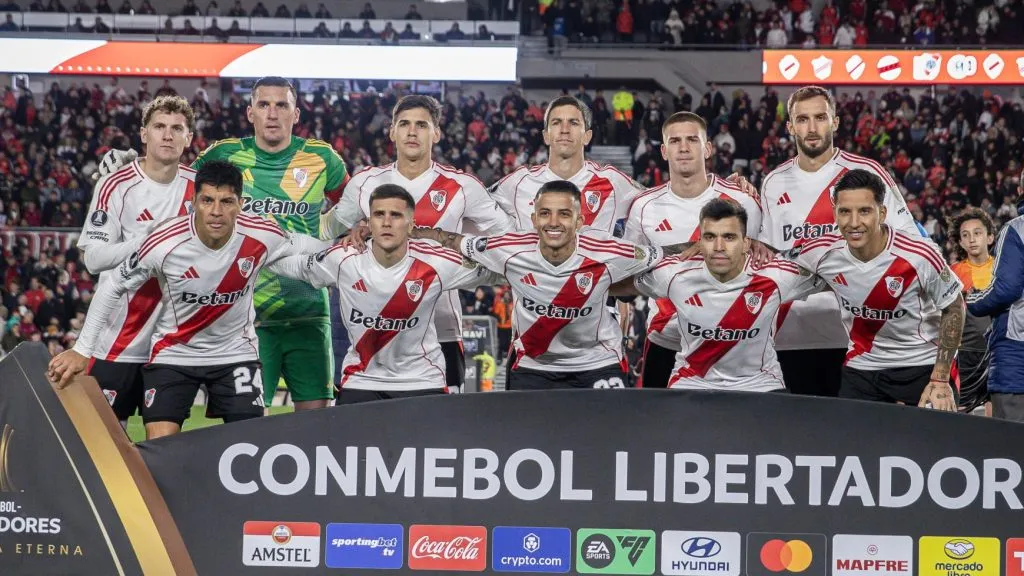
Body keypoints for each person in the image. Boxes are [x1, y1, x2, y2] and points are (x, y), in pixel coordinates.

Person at [98, 77, 349, 412]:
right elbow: (175, 188)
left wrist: (334, 239)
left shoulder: (322, 160)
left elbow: (353, 212)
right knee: (248, 428)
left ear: (296, 113)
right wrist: (135, 165)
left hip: (307, 312)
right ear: (250, 113)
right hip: (244, 321)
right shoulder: (226, 154)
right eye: (263, 105)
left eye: (281, 105)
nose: (272, 114)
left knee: (317, 426)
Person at [48, 161, 330, 438]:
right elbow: (113, 286)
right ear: (193, 201)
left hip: (235, 353)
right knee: (162, 448)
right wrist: (82, 350)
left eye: (226, 201)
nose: (216, 212)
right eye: (207, 200)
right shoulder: (164, 243)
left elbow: (307, 245)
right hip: (174, 353)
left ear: (240, 203)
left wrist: (348, 248)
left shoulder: (262, 234)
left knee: (251, 444)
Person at [323, 95, 513, 393]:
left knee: (439, 432)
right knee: (365, 432)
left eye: (422, 125)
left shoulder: (463, 187)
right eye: (404, 124)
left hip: (442, 327)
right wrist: (352, 232)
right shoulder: (364, 182)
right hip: (371, 326)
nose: (412, 132)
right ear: (392, 131)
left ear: (436, 133)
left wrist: (457, 244)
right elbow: (328, 231)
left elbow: (508, 239)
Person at [416, 180, 664, 389]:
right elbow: (455, 241)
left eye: (564, 214)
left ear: (580, 221)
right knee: (526, 445)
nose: (553, 222)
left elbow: (664, 255)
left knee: (605, 445)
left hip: (597, 363)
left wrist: (696, 250)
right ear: (534, 219)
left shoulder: (608, 251)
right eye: (545, 213)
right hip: (533, 366)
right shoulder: (508, 249)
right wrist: (412, 233)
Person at [269, 184, 501, 404]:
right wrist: (256, 255)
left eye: (396, 215)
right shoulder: (344, 259)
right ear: (369, 223)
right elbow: (294, 265)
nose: (387, 222)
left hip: (422, 381)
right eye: (379, 215)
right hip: (361, 382)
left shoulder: (438, 262)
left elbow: (500, 271)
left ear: (411, 225)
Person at [759, 85, 920, 398]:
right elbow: (769, 258)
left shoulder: (866, 172)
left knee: (856, 439)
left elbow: (906, 244)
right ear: (790, 127)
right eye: (802, 119)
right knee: (802, 438)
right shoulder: (773, 182)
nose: (812, 127)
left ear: (834, 122)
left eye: (820, 117)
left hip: (859, 337)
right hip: (792, 334)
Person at [58, 95, 197, 429]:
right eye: (159, 127)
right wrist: (149, 240)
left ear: (189, 138)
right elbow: (93, 258)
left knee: (165, 449)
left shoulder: (200, 186)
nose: (168, 135)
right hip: (115, 340)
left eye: (177, 128)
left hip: (169, 346)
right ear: (143, 134)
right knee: (108, 451)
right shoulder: (116, 184)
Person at [794, 170, 964, 410]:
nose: (854, 223)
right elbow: (770, 271)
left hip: (922, 364)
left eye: (864, 211)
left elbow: (955, 308)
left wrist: (940, 378)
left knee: (936, 443)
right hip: (863, 365)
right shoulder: (821, 253)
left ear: (882, 213)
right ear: (835, 214)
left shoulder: (919, 255)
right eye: (845, 212)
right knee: (852, 444)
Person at [622, 111, 768, 389]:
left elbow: (763, 267)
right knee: (662, 429)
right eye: (675, 141)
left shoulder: (742, 200)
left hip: (732, 341)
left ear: (708, 148)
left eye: (692, 139)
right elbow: (632, 272)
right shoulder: (644, 207)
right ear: (664, 151)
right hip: (667, 339)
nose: (684, 148)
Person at [619, 198, 821, 390]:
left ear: (746, 244)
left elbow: (833, 277)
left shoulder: (777, 276)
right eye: (710, 237)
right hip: (692, 382)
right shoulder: (674, 273)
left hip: (760, 384)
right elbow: (617, 282)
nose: (719, 247)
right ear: (698, 243)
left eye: (729, 237)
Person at [488, 96, 644, 234]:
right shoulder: (519, 182)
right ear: (546, 136)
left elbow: (657, 203)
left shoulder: (613, 182)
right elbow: (474, 206)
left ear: (587, 136)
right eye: (556, 123)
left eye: (573, 123)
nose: (564, 130)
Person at [966, 169, 1024, 421]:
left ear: (1020, 191)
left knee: (1011, 450)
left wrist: (973, 301)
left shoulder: (1017, 229)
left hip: (1016, 355)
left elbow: (1006, 289)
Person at [951, 207, 995, 414]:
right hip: (967, 352)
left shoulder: (1004, 269)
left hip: (999, 351)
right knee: (963, 411)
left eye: (977, 233)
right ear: (960, 242)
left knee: (996, 409)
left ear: (990, 237)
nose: (972, 240)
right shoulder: (953, 273)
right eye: (965, 235)